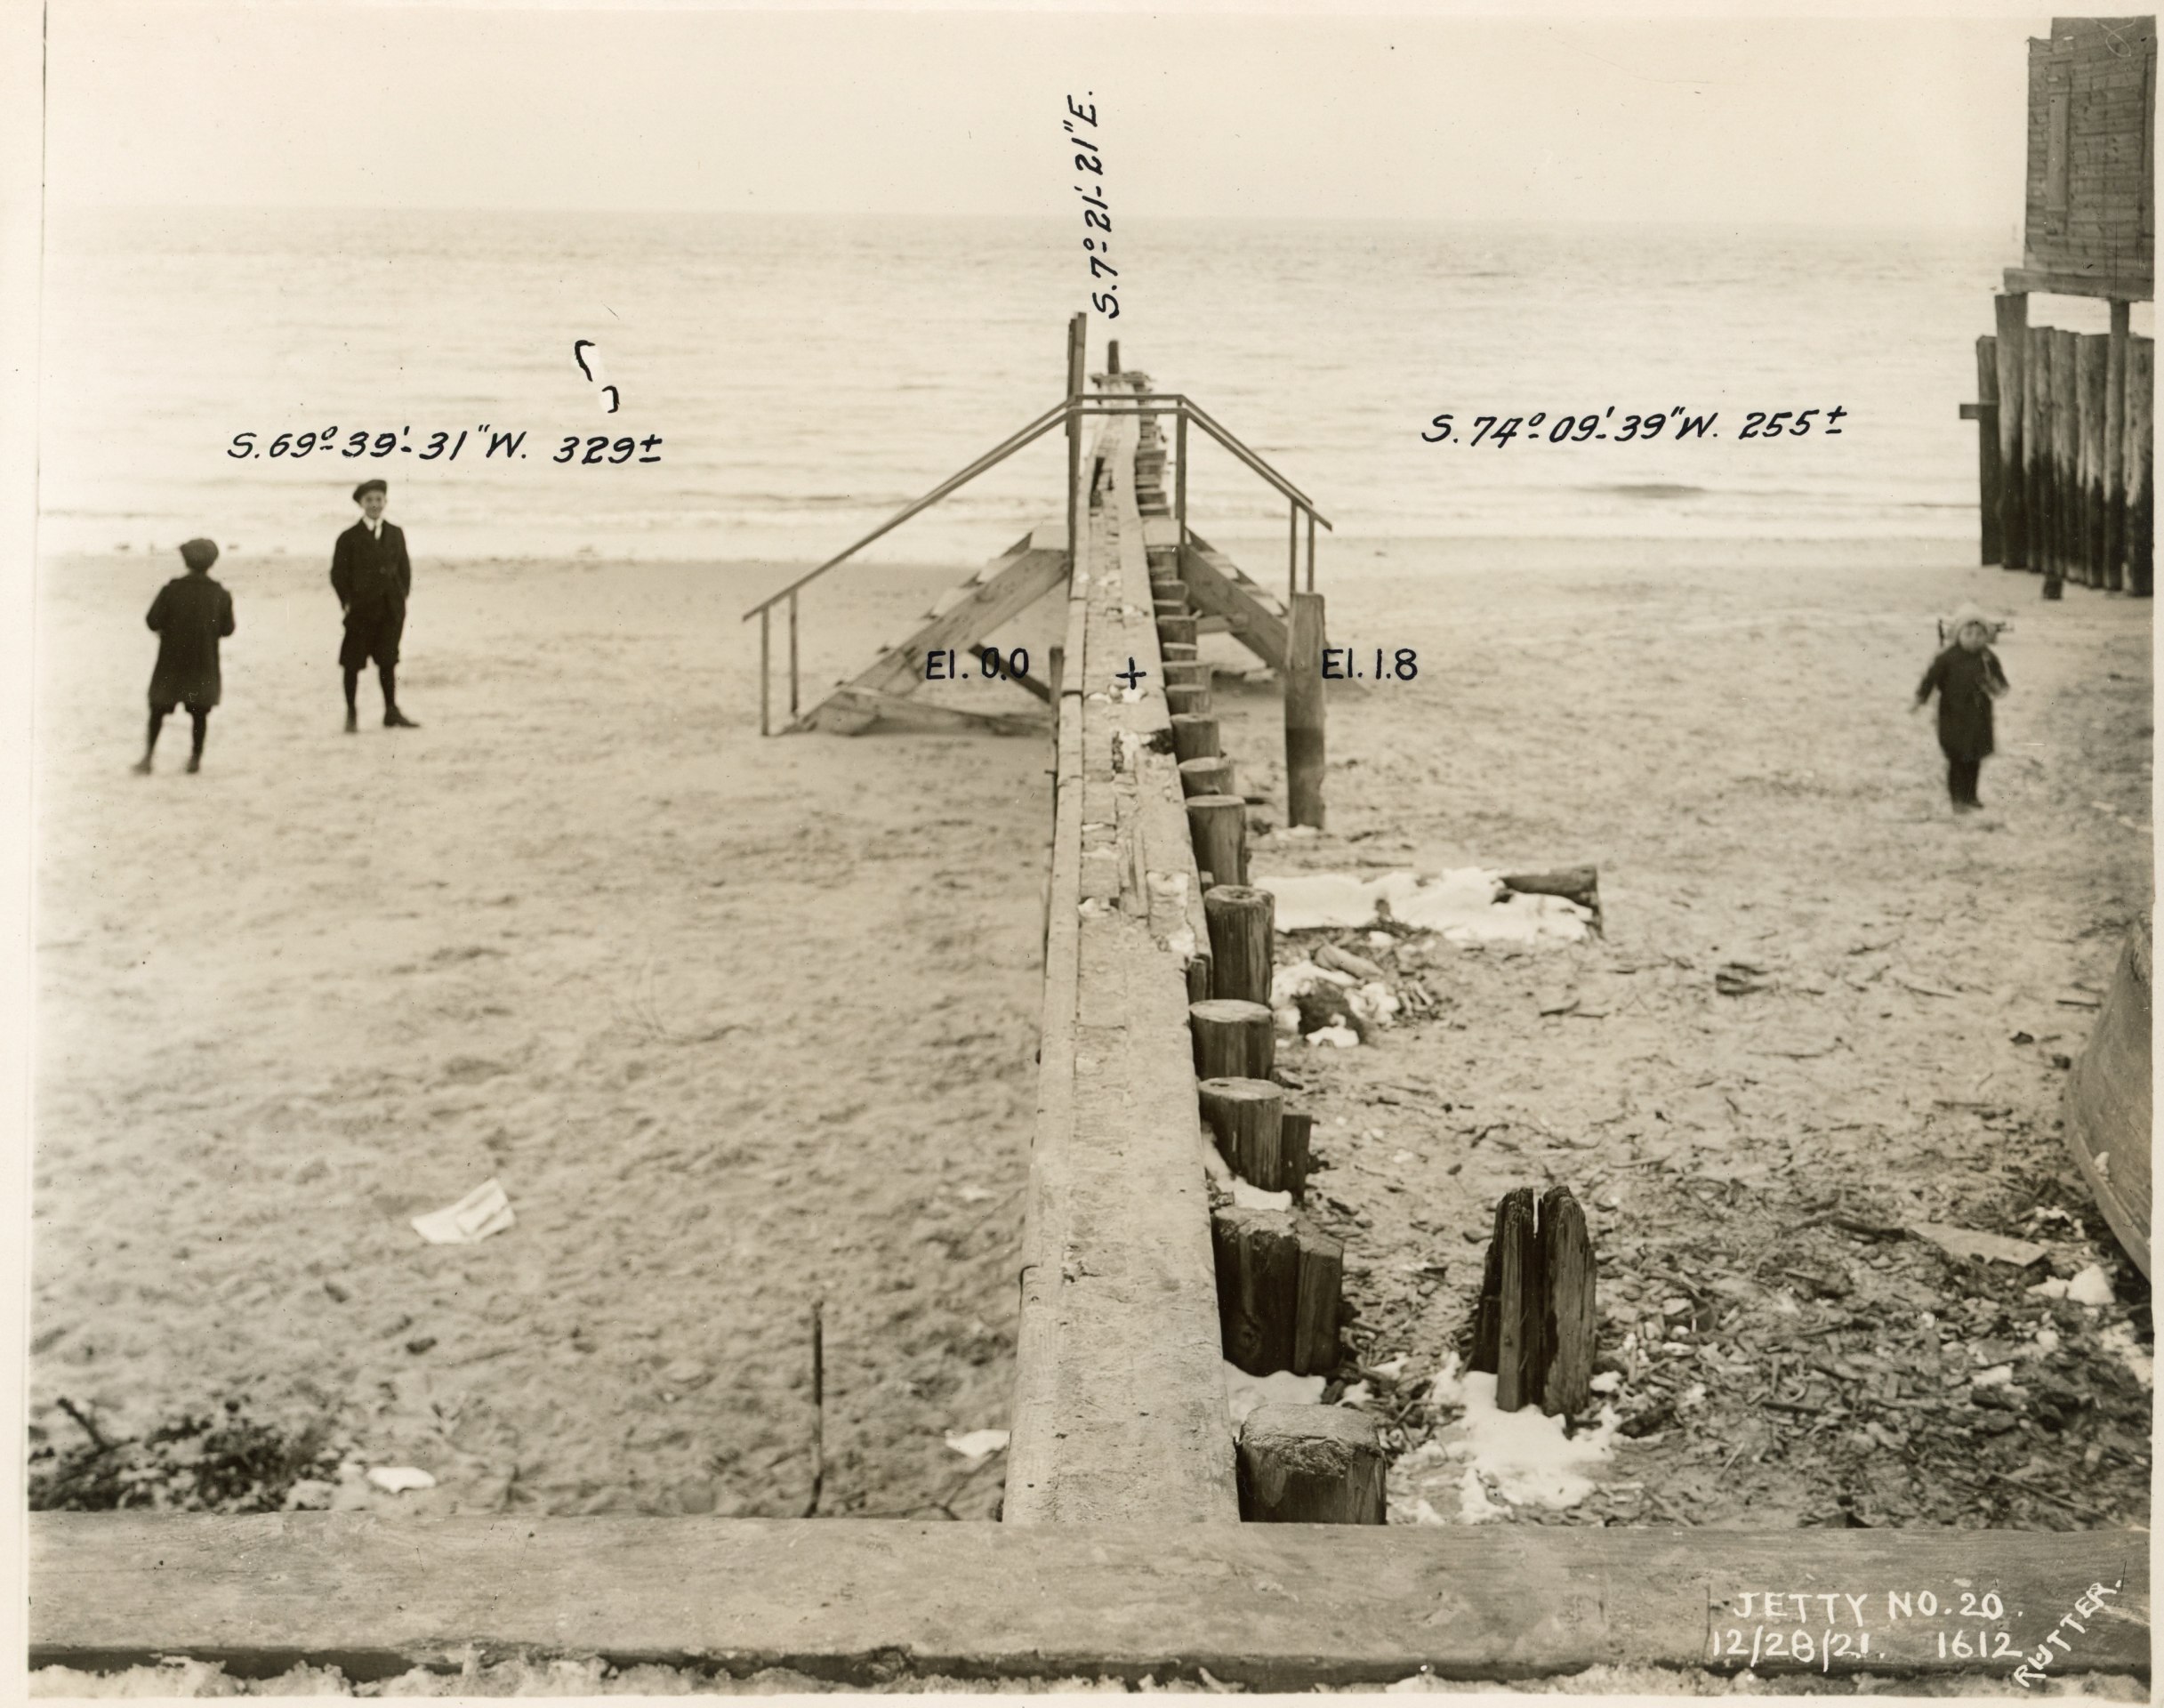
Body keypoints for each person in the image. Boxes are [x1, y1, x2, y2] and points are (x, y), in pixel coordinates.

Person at [133, 538, 235, 775]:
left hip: (171, 660)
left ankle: (148, 758)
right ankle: (195, 759)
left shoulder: (171, 589)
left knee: (158, 709)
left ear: (185, 560)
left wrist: (165, 632)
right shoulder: (220, 593)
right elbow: (227, 629)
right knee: (200, 712)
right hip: (203, 661)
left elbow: (152, 621)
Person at [331, 479, 419, 731]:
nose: (374, 504)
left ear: (385, 502)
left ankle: (391, 711)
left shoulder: (395, 532)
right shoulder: (348, 538)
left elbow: (405, 568)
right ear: (360, 503)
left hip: (390, 610)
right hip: (360, 611)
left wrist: (401, 597)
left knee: (388, 661)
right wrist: (347, 602)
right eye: (369, 500)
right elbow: (338, 574)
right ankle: (351, 713)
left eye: (379, 499)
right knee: (352, 663)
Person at [1912, 602, 2009, 812]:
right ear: (1958, 634)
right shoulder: (1947, 658)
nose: (1974, 638)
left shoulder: (1987, 658)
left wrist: (1992, 684)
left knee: (1974, 758)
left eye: (1979, 634)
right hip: (1953, 716)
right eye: (1969, 633)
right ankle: (1957, 799)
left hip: (1979, 717)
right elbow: (1930, 679)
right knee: (1957, 758)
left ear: (1987, 636)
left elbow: (2001, 685)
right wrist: (1920, 698)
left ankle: (1971, 795)